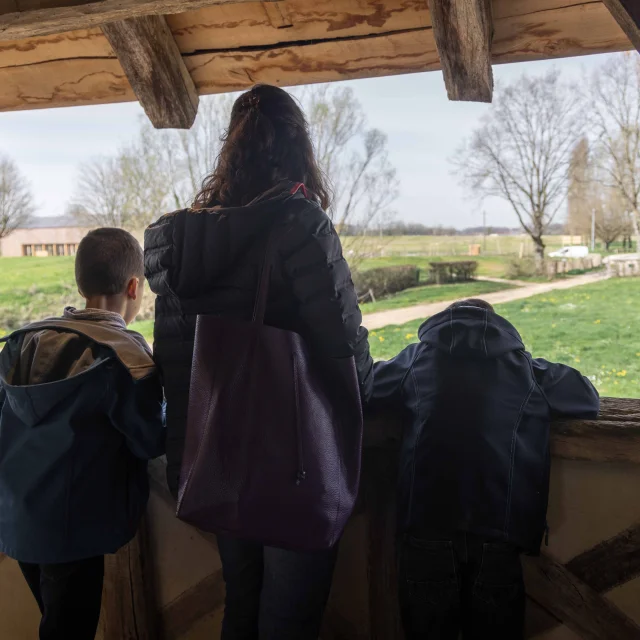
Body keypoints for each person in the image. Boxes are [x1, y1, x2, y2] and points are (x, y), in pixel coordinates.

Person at [144, 83, 373, 639]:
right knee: (289, 620)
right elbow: (344, 345)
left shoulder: (178, 240)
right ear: (300, 150)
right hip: (292, 464)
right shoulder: (300, 225)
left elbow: (175, 359)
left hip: (212, 458)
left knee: (241, 602)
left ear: (230, 149)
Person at [370, 298, 599, 640]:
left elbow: (367, 388)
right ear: (498, 328)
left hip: (426, 525)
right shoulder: (525, 368)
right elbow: (589, 398)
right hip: (498, 529)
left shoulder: (416, 359)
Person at [0, 228, 165, 640]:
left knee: (55, 624)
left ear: (80, 283)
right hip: (76, 531)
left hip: (18, 519)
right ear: (133, 287)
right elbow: (149, 440)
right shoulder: (124, 358)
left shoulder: (25, 342)